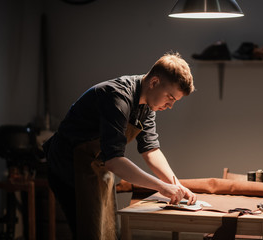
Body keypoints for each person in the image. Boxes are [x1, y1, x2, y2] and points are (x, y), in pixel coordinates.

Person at [42, 52, 197, 240]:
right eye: (169, 98)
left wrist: (176, 186)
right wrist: (162, 187)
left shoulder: (147, 106)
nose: (170, 105)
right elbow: (114, 161)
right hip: (69, 167)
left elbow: (151, 150)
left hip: (97, 167)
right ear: (154, 82)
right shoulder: (118, 98)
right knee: (89, 232)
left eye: (174, 102)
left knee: (107, 232)